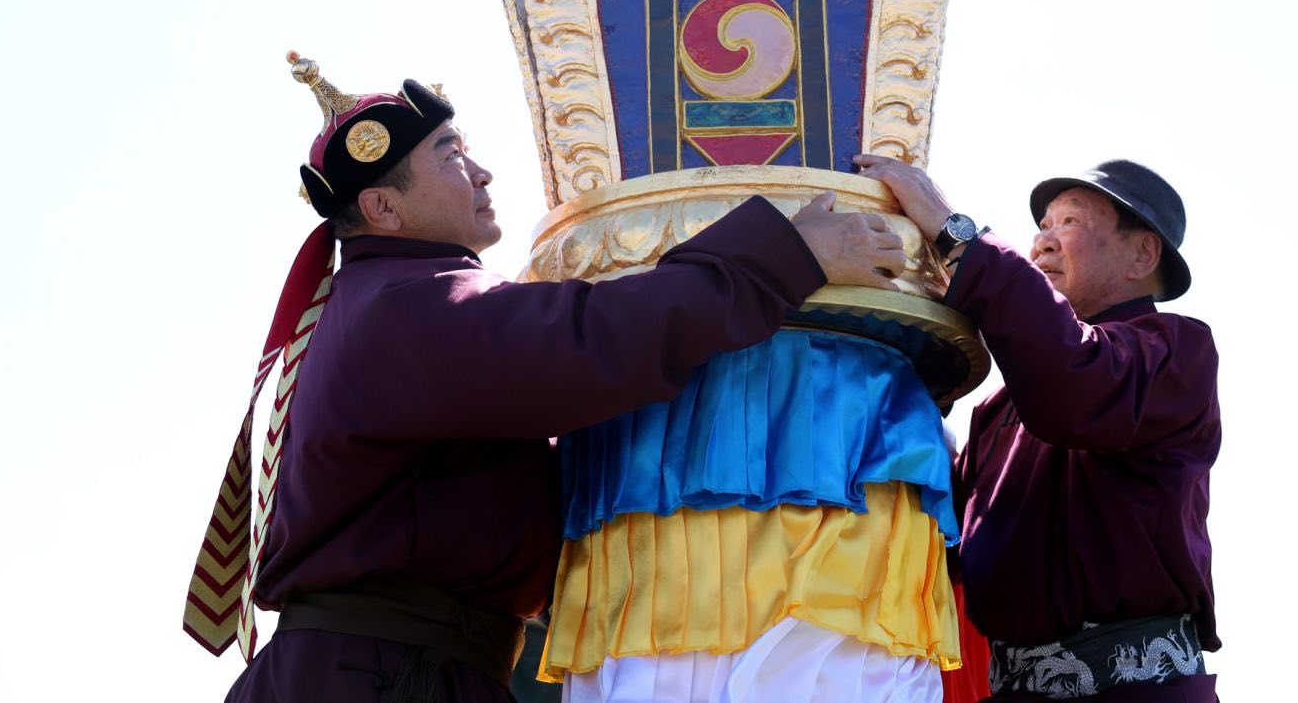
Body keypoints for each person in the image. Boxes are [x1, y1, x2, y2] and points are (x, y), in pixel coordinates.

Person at [183, 53, 908, 703]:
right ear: (383, 207)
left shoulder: (378, 302)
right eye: (450, 155)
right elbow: (591, 337)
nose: (481, 172)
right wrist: (785, 253)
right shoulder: (404, 308)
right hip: (382, 678)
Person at [856, 155, 1221, 702]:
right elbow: (943, 541)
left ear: (1143, 254)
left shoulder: (1175, 352)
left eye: (1070, 222)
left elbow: (1073, 381)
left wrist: (958, 237)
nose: (1043, 242)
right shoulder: (1000, 410)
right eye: (1042, 226)